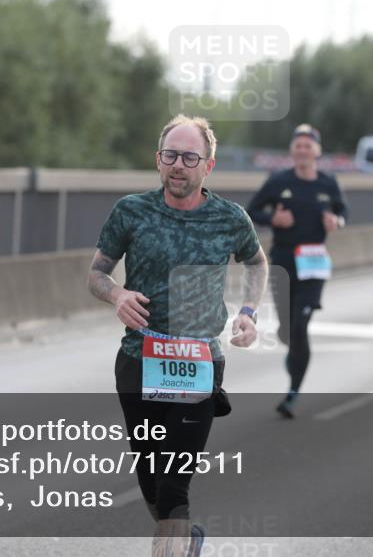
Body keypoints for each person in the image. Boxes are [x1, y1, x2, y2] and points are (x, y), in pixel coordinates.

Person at [88, 114, 269, 556]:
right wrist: (116, 295)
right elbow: (96, 273)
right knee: (151, 482)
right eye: (171, 155)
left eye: (190, 157)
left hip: (198, 365)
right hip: (139, 359)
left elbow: (258, 263)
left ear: (208, 166)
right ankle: (185, 540)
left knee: (173, 489)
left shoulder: (230, 218)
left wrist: (248, 312)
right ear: (158, 160)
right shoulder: (131, 211)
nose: (179, 165)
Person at [246, 124, 348, 418]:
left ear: (317, 151)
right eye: (298, 145)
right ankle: (292, 347)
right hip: (284, 261)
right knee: (289, 332)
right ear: (292, 151)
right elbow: (251, 210)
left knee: (301, 327)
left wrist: (336, 222)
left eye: (308, 145)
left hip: (314, 263)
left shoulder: (328, 183)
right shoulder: (279, 181)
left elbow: (343, 211)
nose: (303, 150)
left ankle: (292, 393)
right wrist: (273, 219)